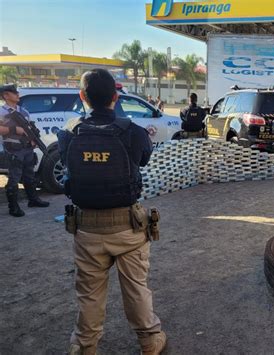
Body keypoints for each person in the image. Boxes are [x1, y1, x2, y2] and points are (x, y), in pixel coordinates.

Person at [57, 69, 166, 354]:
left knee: (89, 295)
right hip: (128, 228)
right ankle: (150, 342)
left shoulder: (69, 132)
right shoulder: (132, 132)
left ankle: (84, 346)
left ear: (83, 96)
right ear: (115, 98)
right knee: (136, 289)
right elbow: (143, 159)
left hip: (87, 228)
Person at [0, 84, 49, 217]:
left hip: (27, 148)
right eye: (14, 93)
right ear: (6, 95)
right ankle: (13, 207)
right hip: (13, 149)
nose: (17, 95)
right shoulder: (2, 112)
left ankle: (33, 200)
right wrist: (13, 130)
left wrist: (34, 140)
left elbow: (30, 128)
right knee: (14, 178)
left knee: (29, 175)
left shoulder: (23, 111)